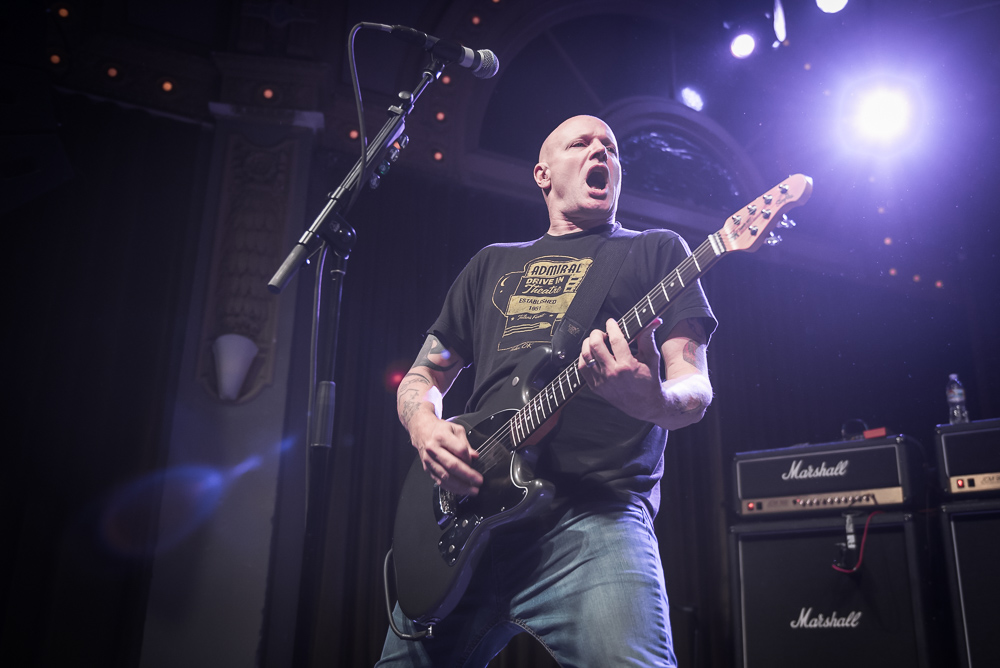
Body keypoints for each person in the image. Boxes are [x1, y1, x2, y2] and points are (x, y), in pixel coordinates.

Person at [378, 115, 716, 667]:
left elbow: (694, 390)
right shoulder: (491, 264)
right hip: (469, 521)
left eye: (609, 146)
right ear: (542, 173)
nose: (599, 151)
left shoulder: (657, 252)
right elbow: (424, 375)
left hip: (594, 519)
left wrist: (650, 400)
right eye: (579, 143)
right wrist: (426, 428)